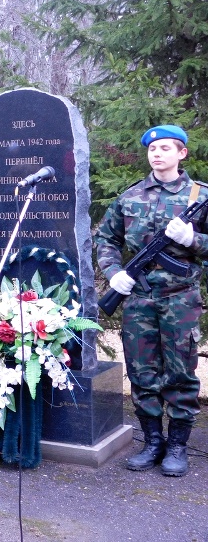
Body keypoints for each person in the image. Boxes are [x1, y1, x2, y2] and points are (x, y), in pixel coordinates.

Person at [95, 125, 208, 477]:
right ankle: (152, 442)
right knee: (142, 373)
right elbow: (106, 239)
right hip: (139, 299)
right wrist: (114, 272)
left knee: (180, 374)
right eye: (152, 149)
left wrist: (192, 239)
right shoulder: (130, 196)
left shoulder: (200, 196)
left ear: (182, 153)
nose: (157, 154)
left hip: (180, 299)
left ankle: (177, 446)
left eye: (165, 148)